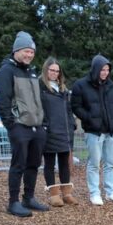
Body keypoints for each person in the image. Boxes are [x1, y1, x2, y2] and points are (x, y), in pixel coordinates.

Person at [0, 31, 49, 217]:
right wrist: (11, 125)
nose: (29, 55)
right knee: (18, 165)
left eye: (32, 52)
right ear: (16, 50)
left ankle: (29, 197)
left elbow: (38, 99)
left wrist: (43, 124)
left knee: (33, 164)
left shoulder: (31, 71)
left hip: (37, 126)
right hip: (20, 126)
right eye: (26, 51)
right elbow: (2, 101)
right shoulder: (6, 71)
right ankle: (13, 202)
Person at [71, 54, 113, 205]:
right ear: (95, 69)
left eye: (107, 70)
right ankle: (94, 193)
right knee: (94, 163)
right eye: (102, 69)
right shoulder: (81, 85)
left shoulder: (112, 86)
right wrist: (89, 119)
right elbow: (76, 106)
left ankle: (110, 192)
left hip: (110, 131)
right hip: (93, 132)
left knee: (110, 163)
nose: (105, 73)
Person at [39, 57, 78, 207]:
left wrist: (72, 124)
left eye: (57, 71)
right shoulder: (40, 87)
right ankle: (54, 195)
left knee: (64, 163)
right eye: (52, 70)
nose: (55, 73)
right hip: (49, 131)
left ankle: (67, 193)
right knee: (49, 163)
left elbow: (69, 109)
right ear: (46, 70)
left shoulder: (63, 89)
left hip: (64, 130)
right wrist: (44, 125)